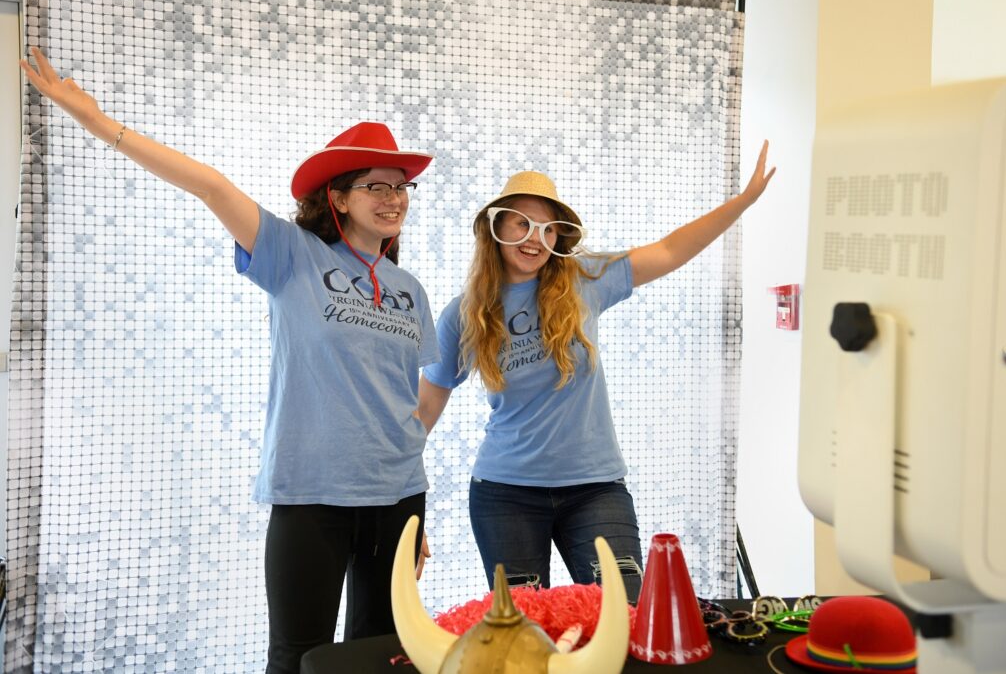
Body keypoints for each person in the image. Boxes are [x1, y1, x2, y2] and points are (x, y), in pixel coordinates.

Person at [20, 47, 438, 674]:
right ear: (338, 198)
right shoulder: (293, 256)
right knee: (299, 657)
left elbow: (408, 397)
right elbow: (210, 184)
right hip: (311, 496)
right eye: (375, 186)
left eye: (401, 187)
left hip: (400, 499)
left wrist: (413, 508)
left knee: (382, 655)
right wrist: (97, 119)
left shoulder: (410, 291)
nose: (393, 198)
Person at [417, 148, 775, 603]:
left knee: (624, 614)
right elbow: (426, 408)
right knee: (528, 632)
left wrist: (740, 203)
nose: (535, 239)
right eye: (522, 223)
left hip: (594, 490)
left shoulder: (584, 279)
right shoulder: (463, 315)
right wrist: (400, 506)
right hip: (505, 494)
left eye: (548, 229)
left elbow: (668, 250)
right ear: (496, 226)